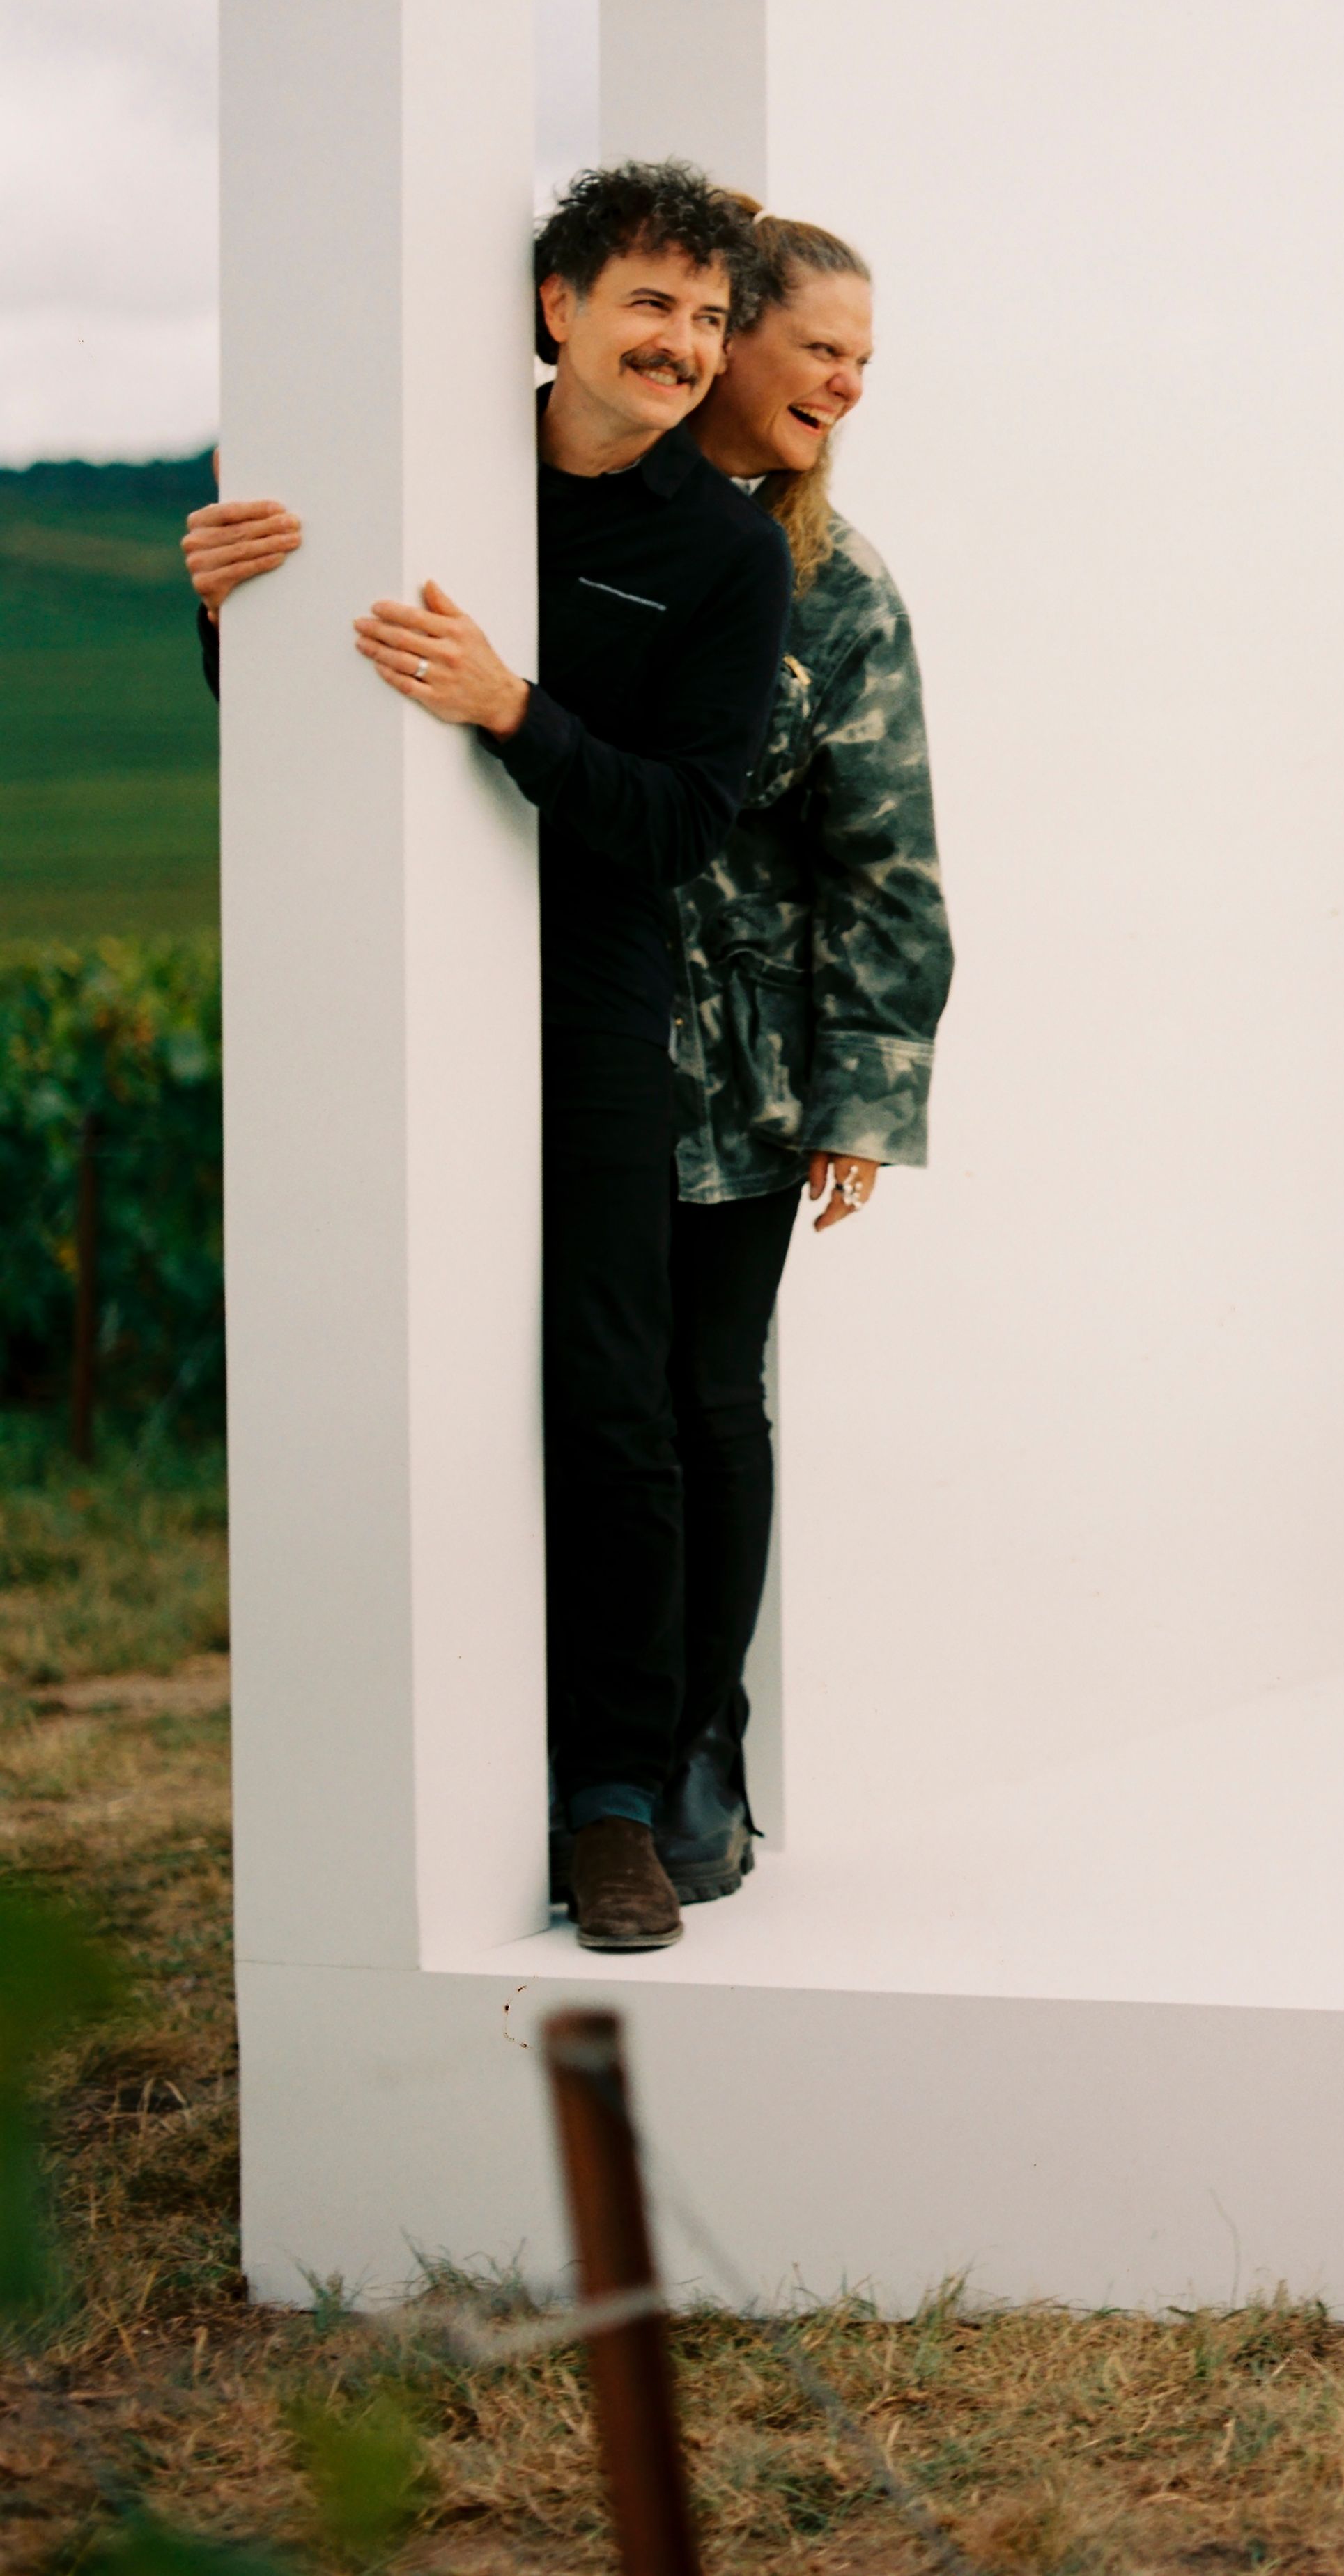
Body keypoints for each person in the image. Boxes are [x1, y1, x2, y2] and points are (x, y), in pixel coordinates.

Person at [189, 160, 792, 1953]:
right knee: (393, 1364)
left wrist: (519, 712)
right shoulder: (422, 468)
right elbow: (314, 707)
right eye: (648, 304)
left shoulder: (724, 550)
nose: (681, 344)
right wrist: (230, 615)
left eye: (705, 316)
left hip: (592, 1000)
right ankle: (380, 1763)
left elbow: (688, 823)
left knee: (612, 1392)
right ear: (557, 308)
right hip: (391, 982)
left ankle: (611, 1798)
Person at [639, 210, 949, 1911]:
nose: (844, 383)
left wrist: (861, 1094)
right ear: (725, 338)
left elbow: (886, 855)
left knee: (707, 1398)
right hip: (555, 1047)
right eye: (821, 346)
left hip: (741, 1086)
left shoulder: (839, 584)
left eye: (863, 363)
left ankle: (699, 1744)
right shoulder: (570, 522)